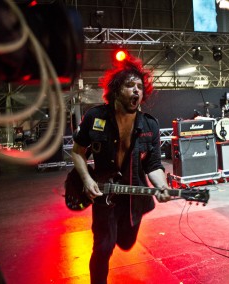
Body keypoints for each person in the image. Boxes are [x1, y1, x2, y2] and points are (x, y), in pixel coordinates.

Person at [71, 55, 171, 284]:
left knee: (126, 243)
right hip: (104, 195)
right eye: (129, 85)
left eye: (139, 87)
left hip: (134, 196)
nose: (136, 91)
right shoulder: (95, 117)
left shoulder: (149, 125)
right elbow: (77, 151)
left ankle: (120, 231)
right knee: (103, 248)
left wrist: (162, 186)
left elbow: (153, 165)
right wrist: (86, 179)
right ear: (115, 90)